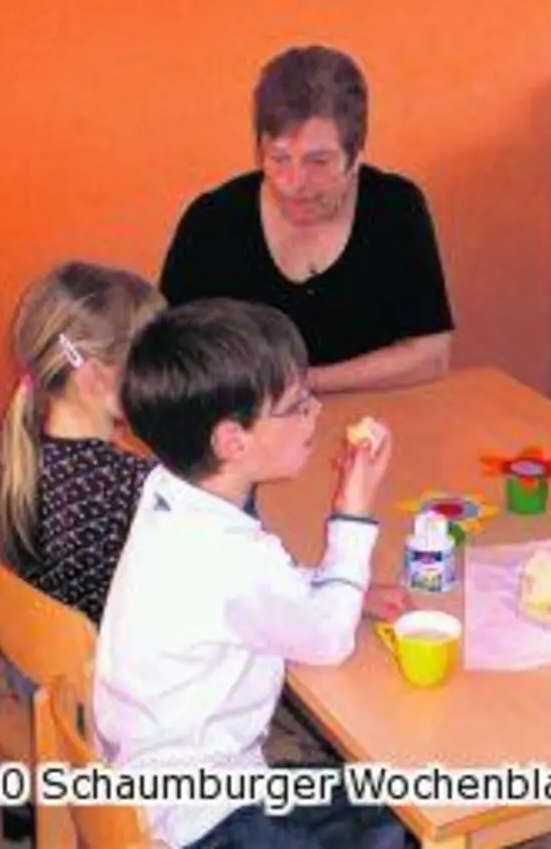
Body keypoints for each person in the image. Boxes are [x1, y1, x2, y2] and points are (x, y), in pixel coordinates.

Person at [94, 298, 412, 849]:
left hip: (147, 785)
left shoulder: (168, 493)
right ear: (231, 442)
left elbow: (251, 593)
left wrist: (338, 589)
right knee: (407, 816)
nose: (315, 411)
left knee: (384, 794)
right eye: (296, 405)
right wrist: (353, 510)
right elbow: (327, 639)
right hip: (206, 823)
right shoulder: (230, 556)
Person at [158, 45, 455, 394]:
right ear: (259, 151)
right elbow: (164, 358)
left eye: (318, 162)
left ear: (356, 156)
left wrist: (303, 384)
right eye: (279, 158)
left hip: (373, 425)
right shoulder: (212, 221)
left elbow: (431, 356)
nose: (294, 183)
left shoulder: (395, 209)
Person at [0, 260, 166, 625]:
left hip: (43, 662)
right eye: (149, 361)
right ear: (95, 375)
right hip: (108, 673)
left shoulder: (17, 450)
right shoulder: (137, 482)